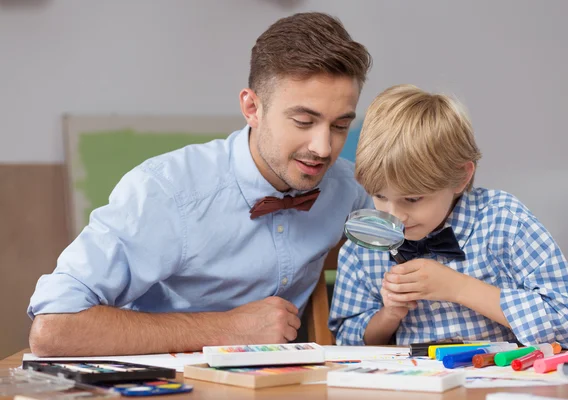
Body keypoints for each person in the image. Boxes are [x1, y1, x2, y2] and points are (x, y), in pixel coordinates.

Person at [28, 12, 373, 356]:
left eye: (340, 126)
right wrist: (228, 329)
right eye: (303, 121)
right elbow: (54, 327)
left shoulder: (347, 188)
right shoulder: (166, 191)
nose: (323, 148)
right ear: (252, 107)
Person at [329, 84, 568, 349]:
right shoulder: (363, 249)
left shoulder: (503, 220)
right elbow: (346, 343)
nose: (395, 216)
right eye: (380, 196)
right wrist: (389, 315)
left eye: (412, 199)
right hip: (415, 387)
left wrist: (459, 288)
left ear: (461, 177)